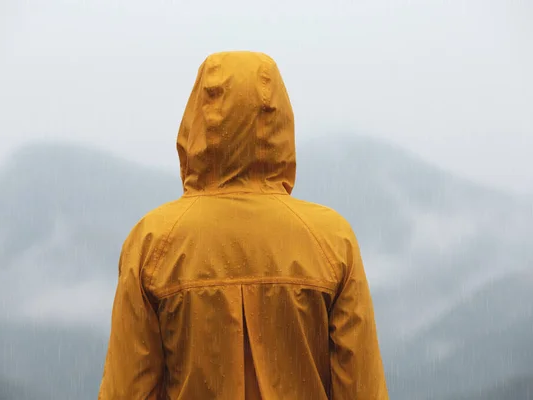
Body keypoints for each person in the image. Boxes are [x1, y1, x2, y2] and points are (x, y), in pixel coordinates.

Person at [98, 51, 388, 399]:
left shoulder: (152, 243)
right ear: (279, 121)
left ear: (196, 122)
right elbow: (362, 389)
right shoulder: (332, 240)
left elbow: (127, 390)